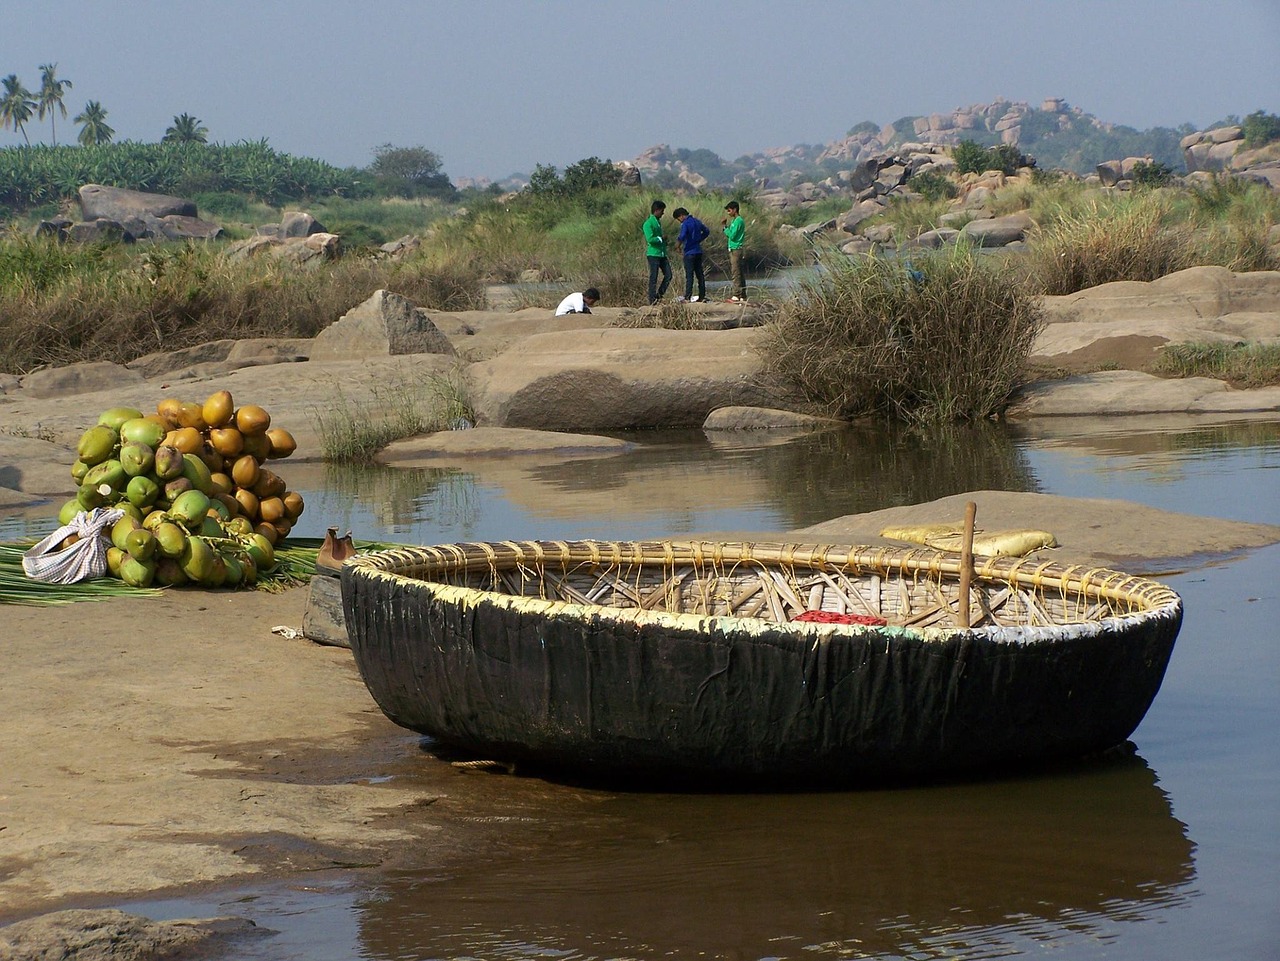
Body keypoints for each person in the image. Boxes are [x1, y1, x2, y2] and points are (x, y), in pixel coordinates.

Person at [672, 207, 711, 302]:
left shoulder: (685, 224)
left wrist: (677, 246)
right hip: (698, 251)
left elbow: (682, 236)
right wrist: (699, 239)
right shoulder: (697, 221)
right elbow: (706, 231)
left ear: (681, 216)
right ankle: (702, 296)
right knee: (700, 275)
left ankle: (688, 296)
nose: (679, 221)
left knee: (689, 275)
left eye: (678, 219)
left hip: (689, 252)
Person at [643, 199, 671, 304]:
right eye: (662, 210)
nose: (663, 213)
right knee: (653, 277)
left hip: (662, 253)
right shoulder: (648, 223)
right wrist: (661, 238)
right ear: (657, 210)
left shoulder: (658, 222)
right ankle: (652, 299)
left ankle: (659, 296)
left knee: (668, 275)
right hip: (653, 254)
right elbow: (650, 239)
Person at [722, 200, 746, 302]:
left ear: (735, 210)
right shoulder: (734, 221)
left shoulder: (739, 221)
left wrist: (724, 228)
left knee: (736, 272)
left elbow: (732, 235)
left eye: (729, 210)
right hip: (733, 248)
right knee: (739, 272)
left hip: (736, 249)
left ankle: (737, 295)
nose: (728, 212)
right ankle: (742, 295)